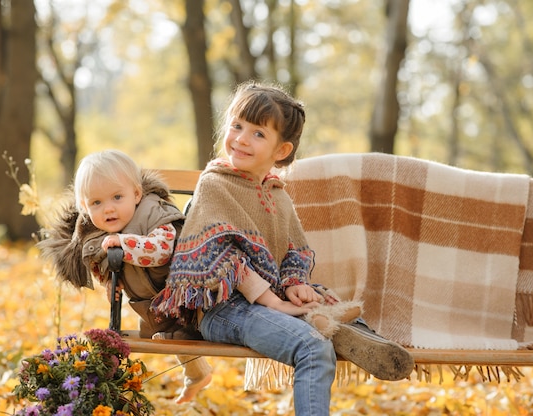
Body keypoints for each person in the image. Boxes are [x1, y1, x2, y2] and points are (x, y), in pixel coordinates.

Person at [152, 82, 414, 415]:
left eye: (258, 134)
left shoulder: (276, 193)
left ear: (281, 150)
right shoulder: (215, 183)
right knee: (312, 349)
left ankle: (341, 328)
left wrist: (295, 284)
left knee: (318, 302)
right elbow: (223, 259)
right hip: (225, 309)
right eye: (237, 126)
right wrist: (273, 302)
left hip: (267, 302)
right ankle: (324, 328)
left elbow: (295, 250)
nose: (242, 138)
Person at [37, 149, 212, 404]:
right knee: (170, 335)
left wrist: (124, 244)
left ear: (137, 194)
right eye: (96, 203)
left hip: (188, 292)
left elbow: (162, 251)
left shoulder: (155, 212)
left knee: (179, 333)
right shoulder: (95, 234)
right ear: (84, 208)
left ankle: (197, 375)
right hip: (151, 304)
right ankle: (198, 375)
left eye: (117, 197)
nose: (108, 208)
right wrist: (110, 283)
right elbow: (103, 264)